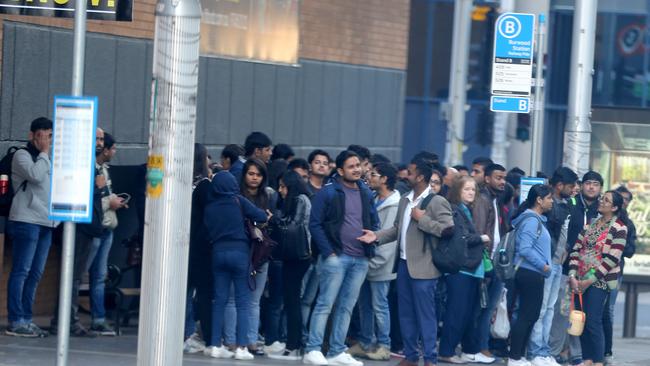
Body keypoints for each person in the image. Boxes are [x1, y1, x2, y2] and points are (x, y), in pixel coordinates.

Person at [358, 158, 454, 366]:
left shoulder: (436, 201)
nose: (405, 175)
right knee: (406, 314)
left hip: (425, 268)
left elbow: (447, 229)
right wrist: (376, 236)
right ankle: (410, 356)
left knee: (426, 316)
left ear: (420, 177)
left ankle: (430, 359)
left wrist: (422, 219)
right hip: (403, 265)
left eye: (410, 172)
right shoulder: (404, 199)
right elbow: (396, 229)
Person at [302, 150, 380, 366]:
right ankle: (313, 349)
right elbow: (315, 224)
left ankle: (337, 351)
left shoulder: (365, 191)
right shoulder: (328, 192)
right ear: (340, 170)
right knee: (325, 303)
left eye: (358, 165)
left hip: (360, 259)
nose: (357, 169)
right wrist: (329, 252)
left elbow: (374, 219)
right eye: (351, 166)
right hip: (336, 257)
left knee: (346, 306)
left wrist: (373, 235)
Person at [202, 171, 269, 360]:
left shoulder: (210, 207)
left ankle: (215, 345)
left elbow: (206, 231)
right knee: (243, 302)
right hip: (239, 253)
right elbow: (260, 216)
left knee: (220, 300)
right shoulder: (238, 200)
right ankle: (241, 348)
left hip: (217, 254)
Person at [50, 127, 108, 337]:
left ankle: (66, 320)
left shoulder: (92, 165)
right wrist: (97, 187)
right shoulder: (81, 164)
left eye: (101, 139)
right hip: (80, 226)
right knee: (72, 277)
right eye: (96, 138)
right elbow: (75, 192)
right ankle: (66, 321)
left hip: (89, 227)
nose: (100, 143)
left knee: (75, 277)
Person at [5, 117, 58, 337]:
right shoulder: (22, 155)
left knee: (35, 273)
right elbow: (35, 177)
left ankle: (27, 318)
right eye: (42, 135)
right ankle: (16, 321)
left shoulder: (50, 159)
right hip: (26, 220)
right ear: (32, 135)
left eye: (49, 135)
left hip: (47, 222)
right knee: (22, 271)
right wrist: (45, 152)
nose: (46, 140)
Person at [223, 158, 278, 355]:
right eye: (251, 173)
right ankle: (231, 341)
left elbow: (273, 223)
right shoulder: (235, 196)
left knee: (254, 300)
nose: (254, 178)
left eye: (258, 174)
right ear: (244, 175)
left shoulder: (269, 196)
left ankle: (250, 340)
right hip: (240, 250)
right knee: (232, 298)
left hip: (261, 252)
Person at [568, 190, 628, 366]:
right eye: (602, 198)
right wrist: (572, 276)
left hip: (599, 281)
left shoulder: (620, 228)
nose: (601, 201)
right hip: (579, 278)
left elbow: (611, 259)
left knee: (593, 321)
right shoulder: (590, 225)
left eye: (606, 200)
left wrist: (589, 280)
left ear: (615, 207)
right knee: (582, 319)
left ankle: (598, 361)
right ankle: (587, 359)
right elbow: (575, 250)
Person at [348, 162, 400, 361]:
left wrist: (374, 262)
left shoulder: (394, 204)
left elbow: (387, 240)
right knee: (364, 305)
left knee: (380, 305)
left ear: (384, 179)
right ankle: (365, 342)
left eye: (374, 174)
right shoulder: (375, 199)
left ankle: (384, 345)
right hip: (366, 262)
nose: (368, 177)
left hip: (380, 264)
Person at [550, 171, 602, 366]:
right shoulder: (571, 205)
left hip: (591, 270)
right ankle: (555, 351)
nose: (591, 187)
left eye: (595, 184)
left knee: (584, 313)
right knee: (562, 311)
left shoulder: (602, 208)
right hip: (566, 267)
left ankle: (579, 354)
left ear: (600, 188)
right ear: (581, 185)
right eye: (588, 183)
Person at [527, 167, 578, 366]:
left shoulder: (565, 204)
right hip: (546, 264)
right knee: (541, 309)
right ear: (559, 186)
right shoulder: (549, 205)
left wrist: (564, 248)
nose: (574, 189)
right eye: (571, 186)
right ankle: (536, 351)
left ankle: (543, 349)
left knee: (549, 309)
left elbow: (563, 234)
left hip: (557, 263)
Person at [438, 176, 490, 364]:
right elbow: (461, 239)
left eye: (473, 190)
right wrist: (482, 238)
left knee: (465, 314)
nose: (470, 192)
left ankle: (452, 350)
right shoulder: (455, 210)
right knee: (456, 313)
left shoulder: (466, 210)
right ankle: (446, 351)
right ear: (457, 190)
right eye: (466, 189)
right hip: (460, 269)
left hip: (471, 269)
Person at [267, 171, 312, 360]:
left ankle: (293, 347)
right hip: (293, 256)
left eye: (283, 186)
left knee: (293, 301)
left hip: (298, 256)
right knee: (291, 300)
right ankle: (292, 345)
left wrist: (274, 219)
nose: (280, 190)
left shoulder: (300, 199)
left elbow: (293, 226)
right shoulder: (296, 200)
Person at [508, 184, 554, 366]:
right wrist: (543, 266)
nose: (552, 201)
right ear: (539, 200)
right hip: (529, 273)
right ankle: (514, 357)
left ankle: (520, 356)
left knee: (532, 315)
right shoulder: (531, 221)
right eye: (549, 198)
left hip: (533, 273)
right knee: (527, 315)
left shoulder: (537, 220)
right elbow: (524, 249)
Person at [87, 132, 126, 336]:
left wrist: (113, 200)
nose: (112, 151)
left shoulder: (104, 170)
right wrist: (109, 202)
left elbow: (104, 194)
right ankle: (68, 317)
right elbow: (91, 198)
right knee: (79, 274)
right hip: (94, 227)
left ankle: (98, 318)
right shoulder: (91, 168)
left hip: (106, 228)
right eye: (112, 148)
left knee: (100, 276)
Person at [470, 163, 508, 363]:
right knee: (482, 307)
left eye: (504, 178)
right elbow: (480, 232)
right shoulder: (483, 200)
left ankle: (482, 347)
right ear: (487, 179)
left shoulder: (495, 200)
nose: (502, 182)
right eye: (498, 177)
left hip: (495, 262)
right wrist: (485, 262)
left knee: (489, 307)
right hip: (485, 262)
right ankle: (479, 347)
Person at [183, 143, 213, 354]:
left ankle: (180, 332)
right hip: (199, 246)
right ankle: (188, 333)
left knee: (182, 291)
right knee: (196, 292)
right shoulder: (205, 186)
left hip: (180, 242)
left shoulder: (179, 182)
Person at [604, 186, 636, 364]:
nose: (624, 202)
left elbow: (631, 249)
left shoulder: (627, 224)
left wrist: (618, 247)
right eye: (621, 198)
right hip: (593, 270)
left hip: (615, 272)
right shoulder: (600, 220)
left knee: (608, 310)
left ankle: (607, 351)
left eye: (626, 200)